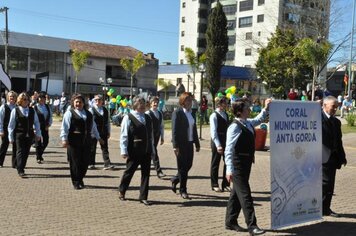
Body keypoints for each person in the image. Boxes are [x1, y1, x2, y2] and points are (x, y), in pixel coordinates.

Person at [224, 98, 271, 235]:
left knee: (236, 194)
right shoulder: (234, 127)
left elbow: (258, 119)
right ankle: (252, 225)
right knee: (245, 195)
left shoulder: (247, 123)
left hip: (246, 165)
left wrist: (266, 108)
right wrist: (229, 169)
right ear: (239, 111)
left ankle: (230, 221)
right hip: (237, 166)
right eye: (247, 108)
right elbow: (229, 149)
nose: (249, 110)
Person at [60, 93, 103, 190]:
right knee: (75, 163)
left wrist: (98, 137)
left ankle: (80, 178)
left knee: (85, 162)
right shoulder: (69, 113)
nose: (78, 104)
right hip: (74, 141)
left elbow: (93, 127)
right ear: (73, 103)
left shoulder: (89, 114)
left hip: (86, 141)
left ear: (84, 103)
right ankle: (76, 181)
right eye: (76, 102)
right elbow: (65, 127)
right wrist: (64, 139)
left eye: (80, 102)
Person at [118, 97, 155, 206]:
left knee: (146, 174)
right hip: (134, 150)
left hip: (146, 150)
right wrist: (123, 150)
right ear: (134, 105)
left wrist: (152, 149)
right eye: (139, 103)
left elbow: (150, 135)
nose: (142, 105)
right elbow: (124, 135)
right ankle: (122, 190)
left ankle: (143, 196)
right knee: (129, 172)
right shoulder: (128, 117)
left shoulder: (148, 118)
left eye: (143, 103)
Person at [321, 96, 347, 217]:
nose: (335, 109)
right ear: (324, 105)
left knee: (330, 184)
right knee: (324, 183)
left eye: (336, 107)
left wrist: (342, 156)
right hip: (321, 157)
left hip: (333, 158)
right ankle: (320, 208)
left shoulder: (336, 122)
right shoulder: (317, 119)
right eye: (333, 106)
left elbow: (339, 141)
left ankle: (326, 208)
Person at [171, 92, 200, 200]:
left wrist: (197, 143)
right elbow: (174, 130)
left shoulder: (191, 113)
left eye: (191, 100)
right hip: (181, 144)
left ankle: (175, 179)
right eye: (188, 100)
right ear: (183, 101)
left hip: (189, 143)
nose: (190, 102)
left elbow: (194, 129)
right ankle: (183, 190)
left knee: (188, 165)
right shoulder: (177, 113)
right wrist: (175, 146)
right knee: (182, 168)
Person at [8, 92, 42, 177]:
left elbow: (37, 122)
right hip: (19, 134)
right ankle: (20, 170)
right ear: (20, 100)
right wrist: (10, 137)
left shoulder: (32, 110)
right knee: (20, 151)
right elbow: (11, 125)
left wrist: (38, 134)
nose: (26, 101)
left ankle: (22, 166)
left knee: (26, 152)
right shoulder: (15, 110)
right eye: (24, 99)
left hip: (29, 135)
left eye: (27, 99)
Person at [209, 96, 230, 192]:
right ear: (219, 104)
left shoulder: (225, 114)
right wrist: (218, 145)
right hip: (217, 141)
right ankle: (214, 184)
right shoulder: (214, 115)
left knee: (227, 162)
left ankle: (226, 184)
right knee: (215, 163)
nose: (226, 104)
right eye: (224, 103)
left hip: (225, 140)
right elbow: (213, 132)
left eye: (226, 103)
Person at [88, 94, 114, 170]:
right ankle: (91, 163)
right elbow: (90, 122)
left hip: (103, 131)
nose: (97, 101)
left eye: (99, 100)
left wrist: (109, 131)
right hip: (93, 132)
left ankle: (107, 163)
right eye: (96, 100)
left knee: (105, 148)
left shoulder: (105, 110)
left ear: (102, 101)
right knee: (92, 148)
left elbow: (108, 122)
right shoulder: (91, 110)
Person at [146, 96, 166, 179]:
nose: (155, 103)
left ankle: (146, 170)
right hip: (150, 136)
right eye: (154, 102)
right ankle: (159, 171)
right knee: (154, 152)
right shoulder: (147, 113)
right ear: (150, 103)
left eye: (156, 102)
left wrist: (162, 137)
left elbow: (162, 126)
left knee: (149, 153)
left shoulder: (160, 113)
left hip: (157, 136)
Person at [34, 92, 53, 164]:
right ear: (38, 99)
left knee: (46, 141)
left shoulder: (47, 106)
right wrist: (34, 128)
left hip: (45, 127)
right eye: (40, 98)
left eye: (43, 98)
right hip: (37, 127)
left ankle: (40, 153)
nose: (42, 99)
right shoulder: (35, 107)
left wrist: (49, 125)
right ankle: (38, 157)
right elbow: (32, 118)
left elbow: (50, 116)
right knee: (38, 142)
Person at [0, 91, 18, 168]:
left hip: (16, 129)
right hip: (5, 129)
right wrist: (1, 130)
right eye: (10, 96)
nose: (12, 98)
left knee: (16, 147)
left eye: (13, 96)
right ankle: (0, 162)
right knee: (4, 146)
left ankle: (15, 164)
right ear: (8, 97)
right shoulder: (3, 107)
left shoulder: (17, 107)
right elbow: (0, 120)